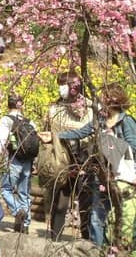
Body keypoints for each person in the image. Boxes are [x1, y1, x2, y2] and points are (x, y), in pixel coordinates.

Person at [49, 82, 136, 248]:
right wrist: (56, 136)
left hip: (121, 178)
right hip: (100, 176)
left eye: (103, 98)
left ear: (113, 100)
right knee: (96, 217)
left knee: (120, 217)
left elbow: (133, 147)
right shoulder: (100, 120)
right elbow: (81, 132)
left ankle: (116, 249)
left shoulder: (127, 121)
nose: (100, 101)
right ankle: (96, 250)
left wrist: (110, 143)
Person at [43, 72, 101, 243]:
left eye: (65, 84)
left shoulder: (91, 108)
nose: (62, 88)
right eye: (60, 84)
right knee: (60, 205)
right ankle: (55, 242)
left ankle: (87, 243)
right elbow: (49, 133)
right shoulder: (55, 109)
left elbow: (93, 131)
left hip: (87, 161)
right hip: (63, 161)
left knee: (86, 205)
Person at [0, 94, 34, 233]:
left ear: (8, 105)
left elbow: (1, 140)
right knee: (24, 193)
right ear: (20, 105)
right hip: (27, 162)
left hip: (13, 160)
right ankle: (25, 225)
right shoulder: (30, 122)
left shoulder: (6, 120)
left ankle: (18, 211)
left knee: (5, 189)